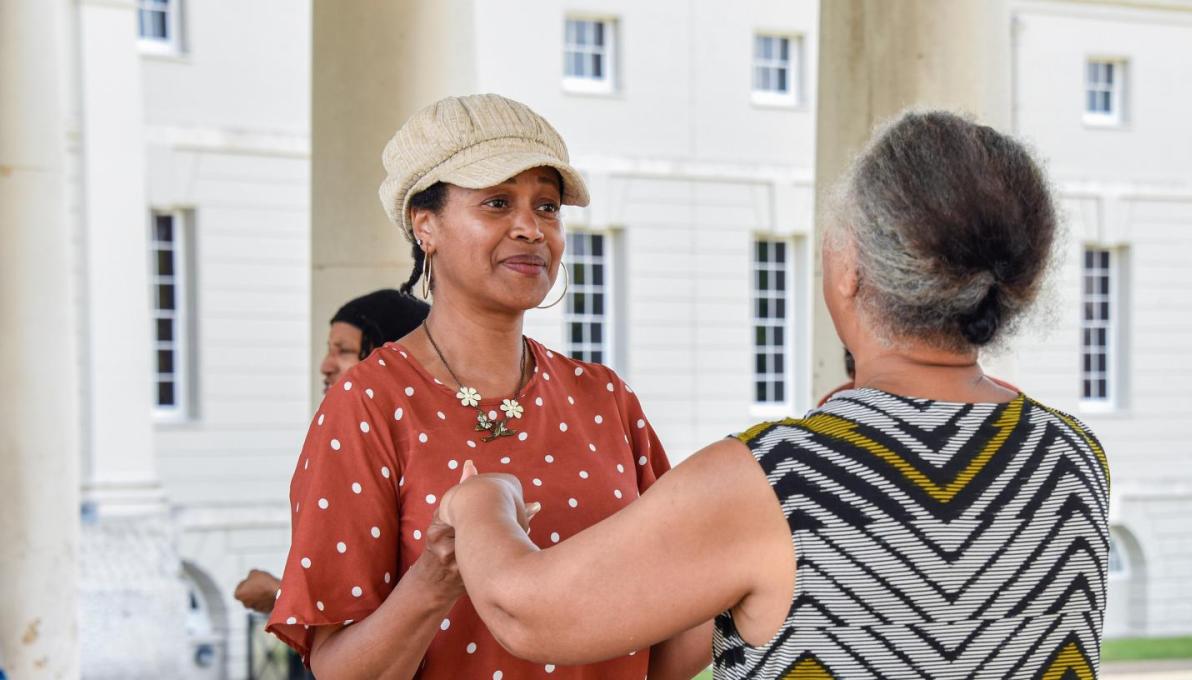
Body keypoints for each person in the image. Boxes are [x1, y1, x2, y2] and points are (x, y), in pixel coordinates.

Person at [437, 111, 1112, 678]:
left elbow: (527, 611)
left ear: (851, 267)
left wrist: (482, 505)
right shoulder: (1076, 458)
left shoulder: (779, 478)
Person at [267, 94, 708, 679]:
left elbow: (667, 647)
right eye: (497, 203)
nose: (530, 228)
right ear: (426, 226)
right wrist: (435, 579)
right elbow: (340, 671)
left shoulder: (605, 400)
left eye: (547, 207)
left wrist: (759, 553)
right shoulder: (370, 403)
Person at [234, 289, 430, 614]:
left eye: (344, 351)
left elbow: (369, 597)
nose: (326, 365)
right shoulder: (368, 437)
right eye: (329, 350)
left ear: (388, 357)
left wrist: (279, 595)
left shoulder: (402, 448)